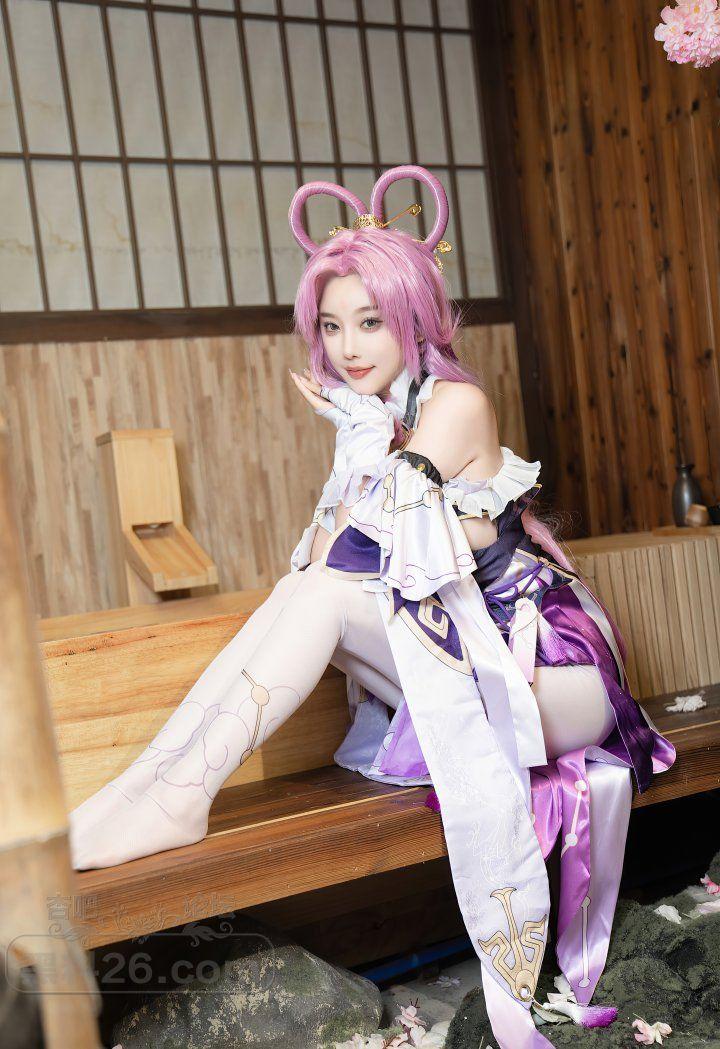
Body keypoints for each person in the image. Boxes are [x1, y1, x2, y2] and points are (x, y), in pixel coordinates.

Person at [69, 165, 676, 1049]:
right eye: (331, 324)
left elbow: (360, 549)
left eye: (371, 320)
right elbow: (319, 562)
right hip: (473, 661)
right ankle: (161, 789)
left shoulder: (455, 404)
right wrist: (359, 437)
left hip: (551, 669)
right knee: (303, 591)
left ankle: (175, 796)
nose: (349, 346)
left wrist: (361, 443)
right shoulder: (381, 416)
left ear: (413, 317)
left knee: (319, 590)